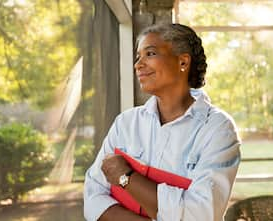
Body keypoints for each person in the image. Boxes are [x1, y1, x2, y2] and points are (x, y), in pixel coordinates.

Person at [83, 23, 241, 221]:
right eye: (138, 57)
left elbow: (200, 214)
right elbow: (93, 199)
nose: (138, 64)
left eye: (150, 54)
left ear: (183, 62)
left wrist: (126, 177)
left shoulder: (218, 130)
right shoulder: (126, 123)